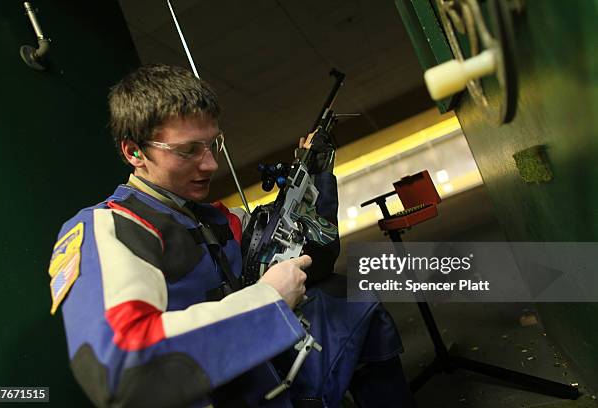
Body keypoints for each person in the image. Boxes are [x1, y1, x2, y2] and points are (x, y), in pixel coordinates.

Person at [47, 64, 414, 407]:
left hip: (266, 374)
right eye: (188, 150)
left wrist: (314, 172)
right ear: (134, 152)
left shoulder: (216, 217)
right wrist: (269, 300)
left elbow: (315, 250)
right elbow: (121, 365)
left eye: (213, 145)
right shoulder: (108, 228)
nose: (210, 164)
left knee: (355, 302)